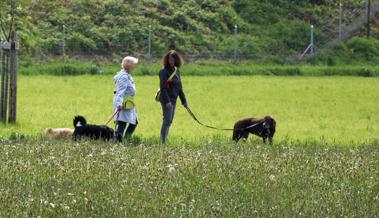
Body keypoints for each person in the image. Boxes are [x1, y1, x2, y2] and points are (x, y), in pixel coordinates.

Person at [159, 50, 188, 143]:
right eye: (170, 59)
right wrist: (167, 102)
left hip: (174, 99)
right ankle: (163, 141)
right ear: (167, 59)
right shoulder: (163, 71)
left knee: (170, 120)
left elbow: (180, 87)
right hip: (166, 99)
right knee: (167, 120)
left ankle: (164, 139)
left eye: (173, 59)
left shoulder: (176, 71)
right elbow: (163, 88)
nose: (171, 61)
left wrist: (184, 101)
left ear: (176, 60)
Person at [113, 56, 139, 142]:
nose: (135, 67)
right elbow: (120, 92)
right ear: (130, 66)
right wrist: (119, 104)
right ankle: (118, 142)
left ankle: (125, 140)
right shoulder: (124, 77)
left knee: (134, 122)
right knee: (122, 124)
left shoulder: (127, 75)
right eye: (134, 65)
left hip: (129, 103)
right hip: (123, 104)